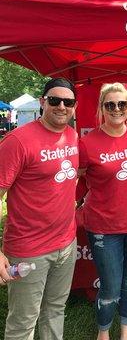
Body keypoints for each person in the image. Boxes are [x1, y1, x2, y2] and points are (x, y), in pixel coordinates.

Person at [0, 78, 79, 340]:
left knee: (55, 311)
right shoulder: (18, 140)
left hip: (66, 244)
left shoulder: (72, 135)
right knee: (23, 323)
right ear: (42, 102)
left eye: (68, 102)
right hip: (29, 250)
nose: (61, 106)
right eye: (54, 100)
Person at [78, 82, 127, 340]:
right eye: (110, 104)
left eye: (122, 104)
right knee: (109, 286)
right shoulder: (87, 142)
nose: (117, 109)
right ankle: (103, 333)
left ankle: (125, 335)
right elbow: (76, 180)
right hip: (103, 228)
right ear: (102, 108)